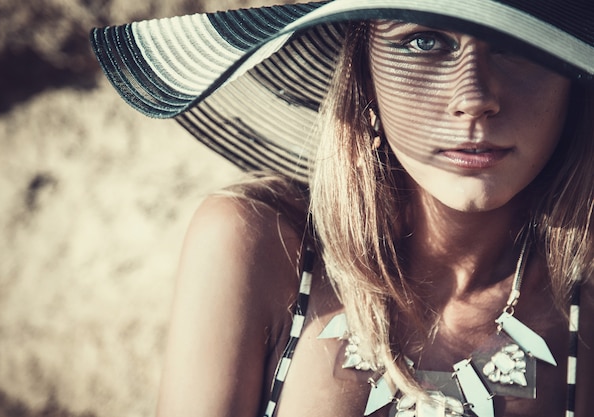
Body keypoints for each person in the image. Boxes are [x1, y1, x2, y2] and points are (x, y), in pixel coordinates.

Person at [90, 1, 594, 416]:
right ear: (363, 75)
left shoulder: (585, 301)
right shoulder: (260, 246)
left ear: (575, 80)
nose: (474, 97)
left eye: (520, 45)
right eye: (424, 41)